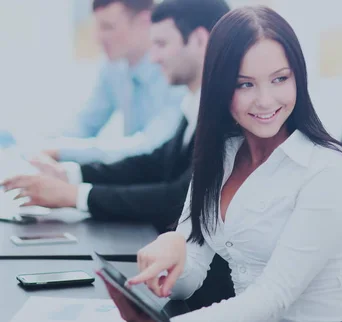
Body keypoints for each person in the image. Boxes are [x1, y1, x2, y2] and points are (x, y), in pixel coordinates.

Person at [99, 6, 342, 322]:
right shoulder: (223, 155)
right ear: (220, 87)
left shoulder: (329, 171)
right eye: (245, 84)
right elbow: (188, 282)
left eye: (280, 79)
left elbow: (273, 297)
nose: (266, 100)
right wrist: (173, 248)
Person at [3, 0, 235, 308]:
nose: (154, 57)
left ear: (200, 40)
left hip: (211, 291)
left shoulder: (227, 116)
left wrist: (76, 194)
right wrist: (73, 175)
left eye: (162, 44)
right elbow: (154, 163)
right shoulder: (193, 104)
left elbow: (177, 196)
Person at [46, 0, 185, 164]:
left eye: (107, 27)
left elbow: (150, 146)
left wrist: (62, 151)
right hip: (130, 175)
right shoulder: (113, 66)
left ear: (144, 22)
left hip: (162, 175)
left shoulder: (176, 70)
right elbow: (86, 123)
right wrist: (44, 146)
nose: (98, 38)